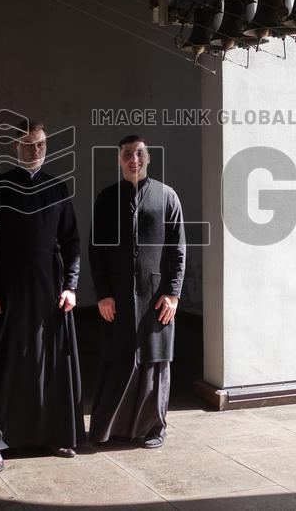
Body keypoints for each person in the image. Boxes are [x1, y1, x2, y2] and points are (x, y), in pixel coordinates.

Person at [0, 120, 85, 473]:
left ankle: (51, 434)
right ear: (15, 147)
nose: (35, 151)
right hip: (8, 287)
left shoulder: (57, 188)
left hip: (50, 290)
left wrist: (71, 286)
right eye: (28, 144)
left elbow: (72, 243)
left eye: (40, 145)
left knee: (48, 362)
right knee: (4, 364)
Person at [89, 135, 185, 449]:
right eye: (128, 154)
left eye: (139, 153)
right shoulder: (106, 199)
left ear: (148, 158)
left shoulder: (167, 196)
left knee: (155, 364)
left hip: (156, 295)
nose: (134, 159)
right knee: (117, 360)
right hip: (116, 296)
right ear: (119, 159)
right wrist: (103, 293)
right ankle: (112, 429)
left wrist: (173, 293)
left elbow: (178, 250)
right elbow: (96, 250)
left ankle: (154, 428)